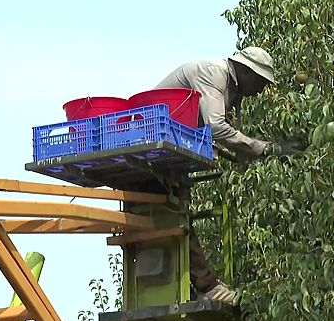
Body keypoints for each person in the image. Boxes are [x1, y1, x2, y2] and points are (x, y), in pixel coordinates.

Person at [128, 47, 304, 306]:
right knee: (174, 217)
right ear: (246, 71)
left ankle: (190, 285)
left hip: (167, 153)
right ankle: (206, 286)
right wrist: (265, 148)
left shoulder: (231, 89)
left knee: (172, 217)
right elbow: (217, 128)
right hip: (152, 146)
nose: (262, 89)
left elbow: (222, 141)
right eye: (260, 81)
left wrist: (266, 153)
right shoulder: (215, 74)